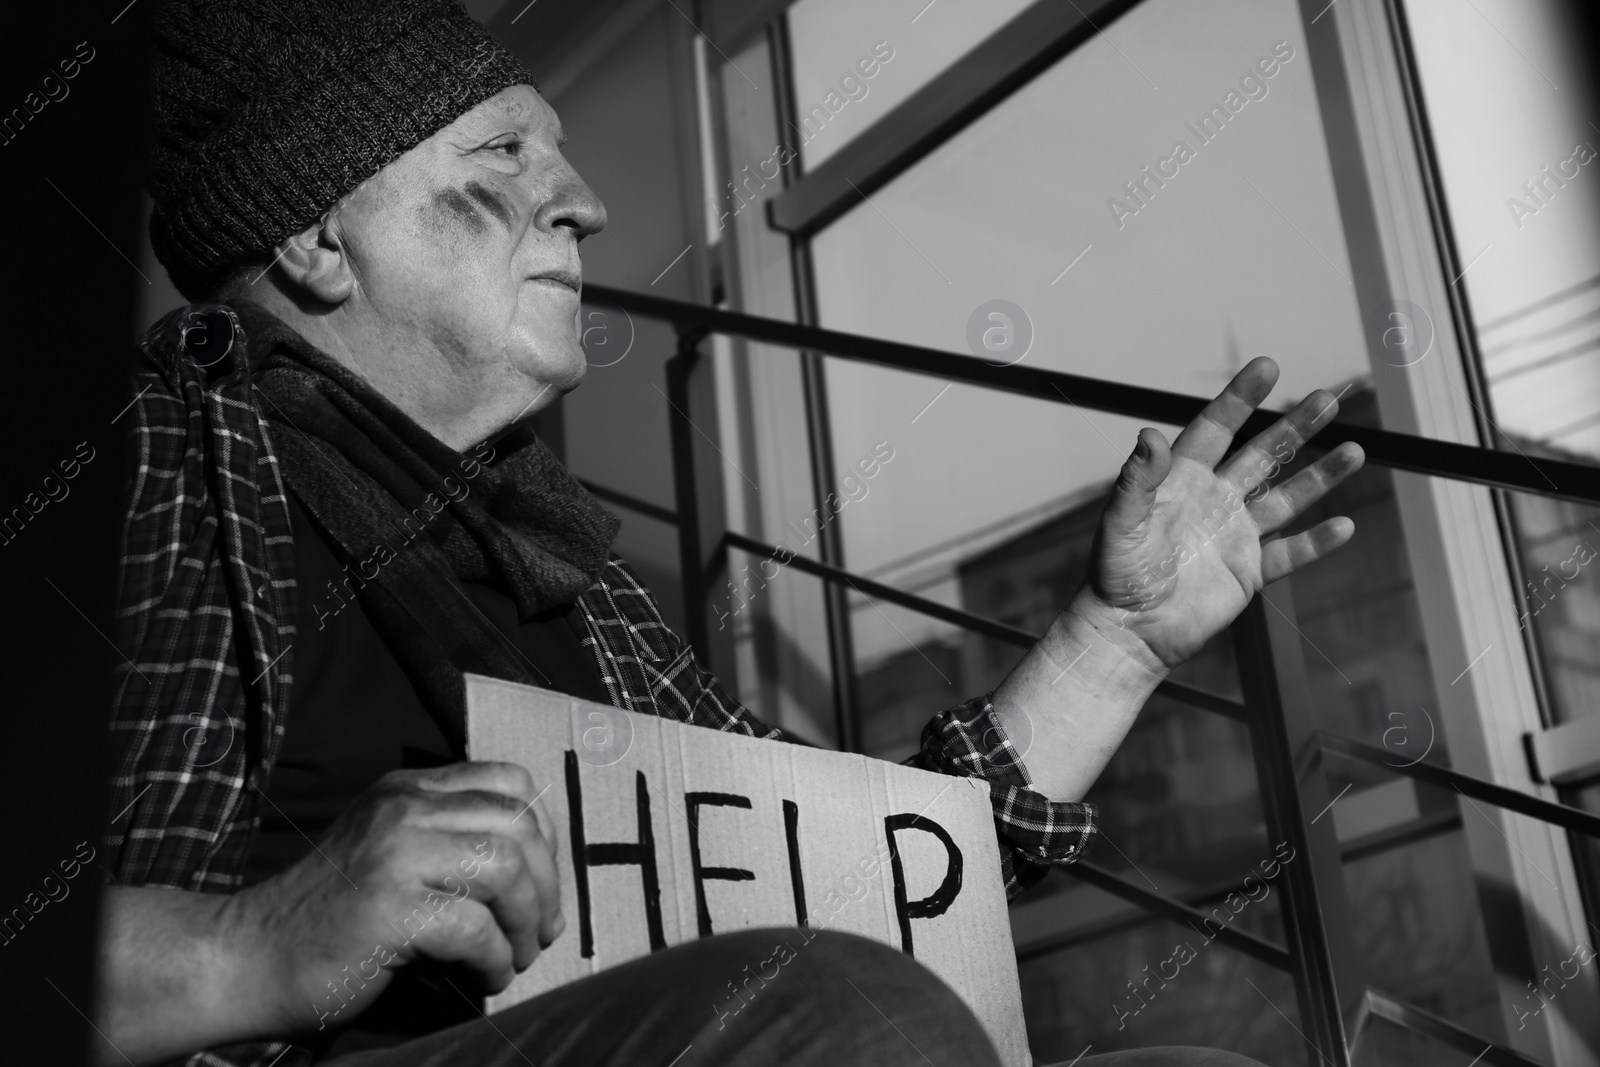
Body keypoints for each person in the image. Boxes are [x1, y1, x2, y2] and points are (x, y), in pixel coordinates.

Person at [95, 1, 1363, 1064]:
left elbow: (854, 886)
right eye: (501, 155)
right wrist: (253, 940)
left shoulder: (568, 568)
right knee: (843, 1010)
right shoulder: (145, 468)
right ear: (320, 238)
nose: (584, 203)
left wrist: (1116, 641)